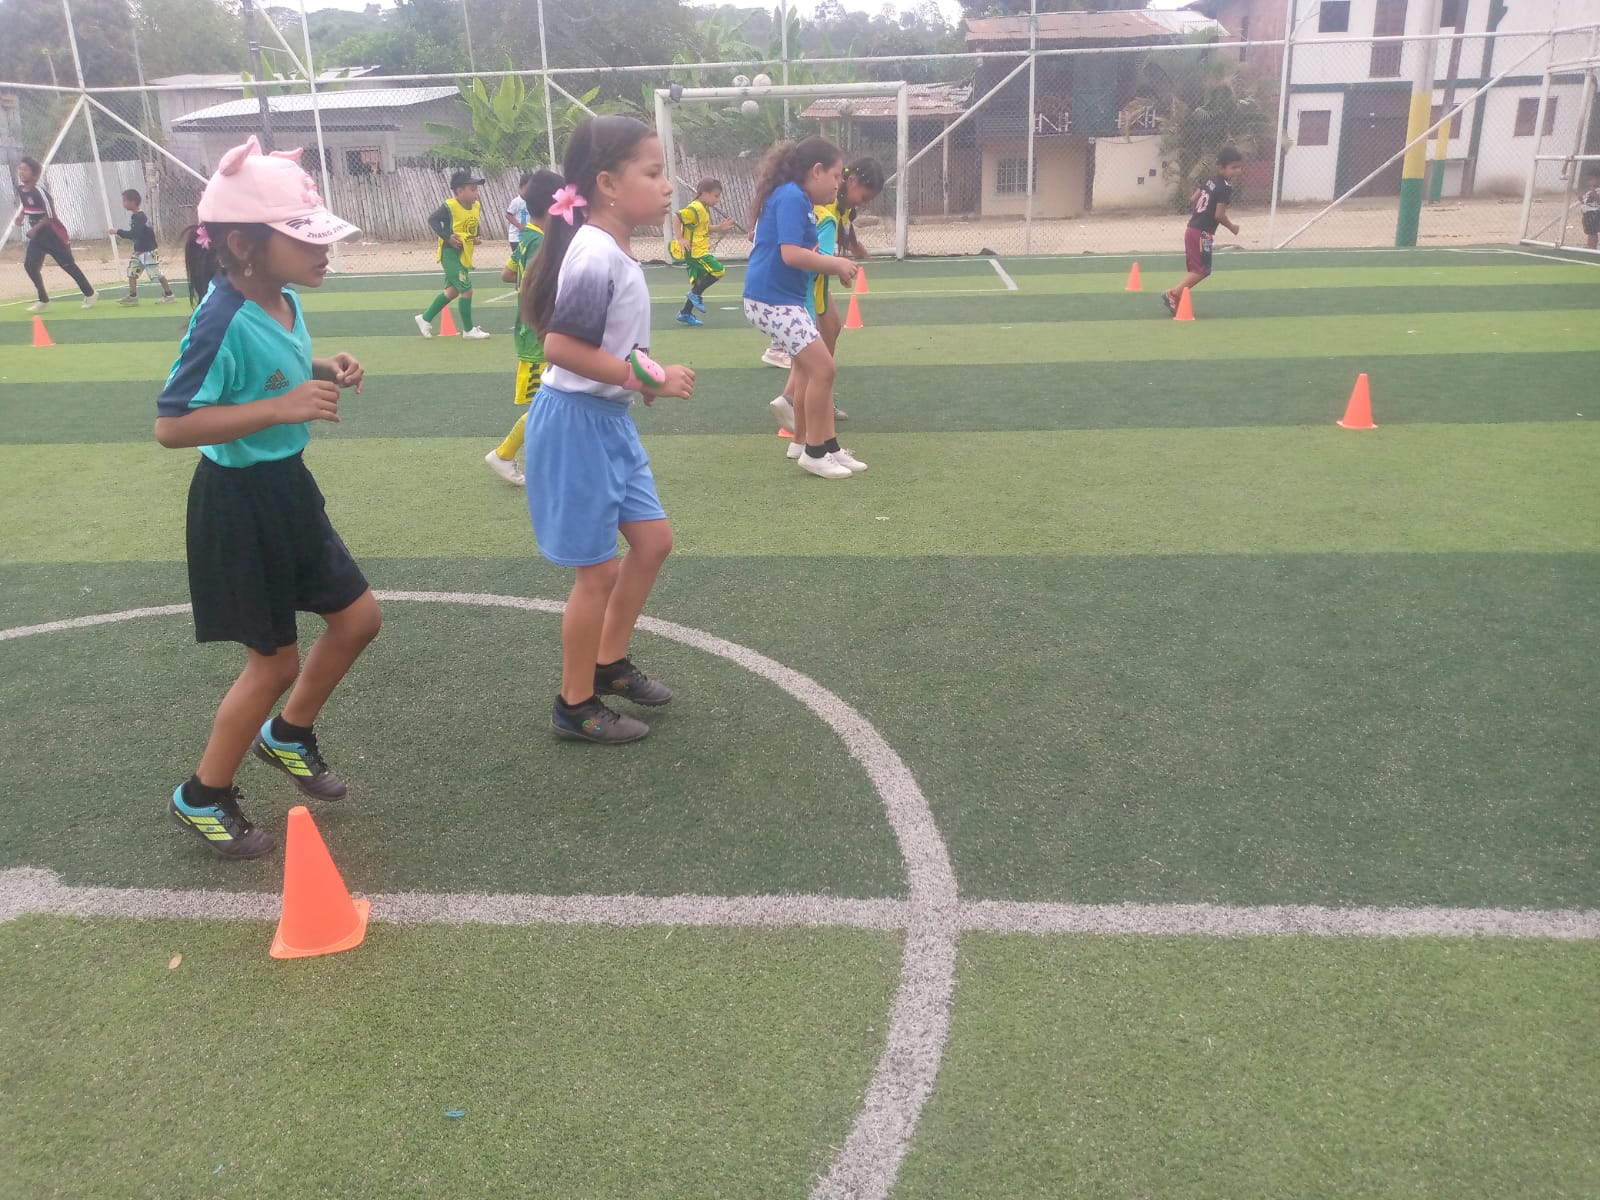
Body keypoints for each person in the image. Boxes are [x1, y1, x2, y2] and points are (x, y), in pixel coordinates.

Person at [156, 136, 379, 859]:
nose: (324, 252)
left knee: (358, 619)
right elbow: (173, 424)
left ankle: (287, 733)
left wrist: (321, 364)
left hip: (289, 490)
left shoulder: (282, 299)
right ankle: (202, 794)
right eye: (306, 239)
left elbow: (275, 363)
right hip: (237, 506)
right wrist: (281, 407)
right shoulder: (218, 319)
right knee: (274, 663)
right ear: (245, 246)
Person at [522, 115, 695, 744]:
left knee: (653, 541)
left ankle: (609, 661)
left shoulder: (613, 248)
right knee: (595, 574)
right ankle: (575, 705)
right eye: (653, 172)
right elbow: (561, 347)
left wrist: (641, 375)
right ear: (608, 184)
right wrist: (644, 377)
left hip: (607, 420)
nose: (667, 186)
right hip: (575, 425)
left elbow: (611, 340)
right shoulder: (595, 251)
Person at [742, 136, 860, 480]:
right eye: (836, 176)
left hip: (780, 299)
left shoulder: (796, 198)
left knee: (814, 371)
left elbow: (796, 252)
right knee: (823, 369)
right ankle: (815, 452)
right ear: (816, 170)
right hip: (773, 301)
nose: (838, 185)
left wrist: (827, 262)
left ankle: (824, 447)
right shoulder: (793, 196)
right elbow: (790, 254)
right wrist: (836, 264)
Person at [770, 157, 884, 436]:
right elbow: (809, 252)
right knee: (809, 349)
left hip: (816, 282)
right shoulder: (824, 205)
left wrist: (850, 251)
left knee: (831, 328)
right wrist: (837, 266)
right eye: (863, 197)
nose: (861, 203)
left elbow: (839, 234)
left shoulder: (840, 205)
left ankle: (817, 397)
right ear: (851, 181)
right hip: (805, 285)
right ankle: (793, 403)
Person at [485, 168, 565, 486]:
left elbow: (507, 274)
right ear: (555, 207)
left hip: (538, 335)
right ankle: (504, 454)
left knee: (556, 403)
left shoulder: (528, 238)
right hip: (538, 337)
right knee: (547, 405)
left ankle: (547, 462)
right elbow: (533, 286)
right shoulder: (539, 243)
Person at [1163, 145, 1243, 315]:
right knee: (1202, 271)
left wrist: (1203, 209)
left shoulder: (1209, 180)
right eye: (1233, 167)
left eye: (1239, 167)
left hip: (1192, 228)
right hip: (1202, 233)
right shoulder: (1225, 187)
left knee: (1196, 270)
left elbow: (1193, 199)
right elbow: (1219, 215)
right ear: (1221, 167)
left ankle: (1176, 296)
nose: (1237, 171)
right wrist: (1232, 227)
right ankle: (1173, 294)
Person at [13, 155, 97, 313]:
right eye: (20, 169)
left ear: (34, 174)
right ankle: (43, 299)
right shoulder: (21, 190)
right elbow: (26, 205)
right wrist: (21, 216)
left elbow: (50, 216)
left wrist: (34, 229)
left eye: (25, 169)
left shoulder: (40, 192)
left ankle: (90, 294)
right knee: (30, 266)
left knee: (68, 266)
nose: (21, 172)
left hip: (53, 235)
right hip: (38, 238)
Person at [415, 168, 491, 339]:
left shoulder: (476, 206)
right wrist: (448, 237)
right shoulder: (449, 206)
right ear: (460, 191)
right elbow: (433, 220)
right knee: (467, 290)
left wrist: (476, 236)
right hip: (450, 254)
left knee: (452, 291)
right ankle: (468, 330)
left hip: (463, 254)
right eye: (472, 189)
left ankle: (425, 318)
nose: (476, 193)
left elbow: (473, 223)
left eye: (476, 189)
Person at [674, 178, 735, 326]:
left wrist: (719, 228)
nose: (718, 199)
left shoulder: (703, 209)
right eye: (716, 196)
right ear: (704, 193)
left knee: (700, 282)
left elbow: (703, 228)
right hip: (695, 252)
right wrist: (680, 238)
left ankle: (685, 313)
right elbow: (677, 217)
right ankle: (694, 295)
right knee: (719, 270)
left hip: (698, 250)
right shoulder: (695, 208)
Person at [109, 187, 175, 305]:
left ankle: (169, 294)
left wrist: (118, 231)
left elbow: (134, 234)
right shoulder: (135, 217)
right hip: (138, 250)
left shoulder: (140, 217)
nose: (123, 203)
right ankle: (133, 296)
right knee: (132, 272)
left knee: (156, 273)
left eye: (125, 201)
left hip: (148, 251)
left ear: (133, 202)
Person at [501, 171, 534, 284]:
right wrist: (519, 226)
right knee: (520, 263)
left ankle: (525, 282)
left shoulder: (532, 202)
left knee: (528, 263)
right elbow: (508, 214)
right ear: (520, 188)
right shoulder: (516, 202)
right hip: (516, 238)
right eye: (527, 188)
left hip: (528, 237)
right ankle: (522, 284)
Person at [1581, 167, 1600, 251]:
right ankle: (1589, 245)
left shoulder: (1597, 190)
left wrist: (1595, 195)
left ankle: (1593, 246)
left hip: (1594, 213)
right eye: (1588, 179)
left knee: (1593, 232)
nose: (1589, 181)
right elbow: (1586, 201)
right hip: (1587, 213)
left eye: (1591, 179)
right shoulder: (1589, 191)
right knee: (1589, 231)